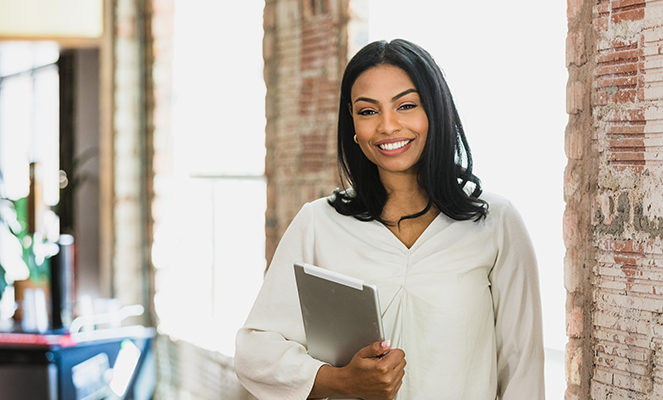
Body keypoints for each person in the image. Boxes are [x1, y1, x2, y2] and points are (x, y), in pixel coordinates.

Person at [235, 39, 545, 400]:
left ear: (435, 112)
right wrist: (340, 380)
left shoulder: (495, 224)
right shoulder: (319, 223)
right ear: (352, 123)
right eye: (368, 111)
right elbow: (254, 353)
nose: (388, 125)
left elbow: (523, 367)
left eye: (406, 105)